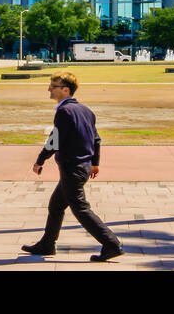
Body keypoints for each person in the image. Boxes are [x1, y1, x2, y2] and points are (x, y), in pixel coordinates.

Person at [22, 72, 123, 263]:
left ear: (65, 90)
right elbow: (97, 139)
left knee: (81, 209)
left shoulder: (64, 112)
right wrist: (95, 163)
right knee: (56, 205)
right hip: (82, 166)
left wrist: (40, 160)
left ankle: (111, 244)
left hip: (72, 168)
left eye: (53, 86)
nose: (49, 89)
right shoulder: (86, 110)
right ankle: (47, 244)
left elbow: (54, 140)